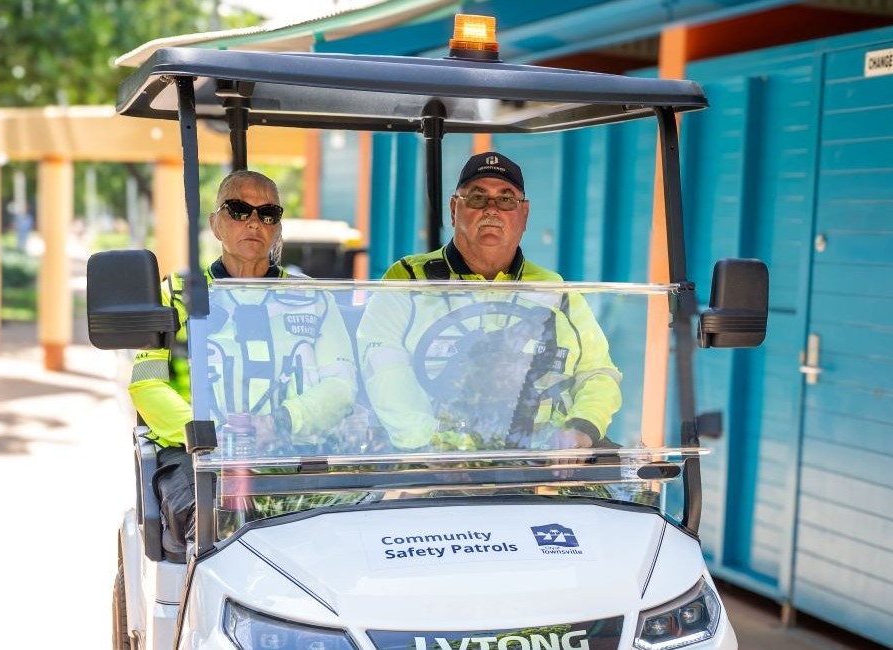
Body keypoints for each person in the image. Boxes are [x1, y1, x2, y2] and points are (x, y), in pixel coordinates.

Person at [128, 170, 355, 560]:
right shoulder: (178, 294)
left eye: (268, 213)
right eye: (238, 209)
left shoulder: (312, 298)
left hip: (295, 449)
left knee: (359, 523)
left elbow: (342, 387)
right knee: (213, 525)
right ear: (216, 223)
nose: (254, 221)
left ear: (278, 226)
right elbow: (147, 385)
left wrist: (282, 421)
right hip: (197, 456)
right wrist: (207, 436)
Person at [360, 151, 622, 451]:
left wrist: (580, 427)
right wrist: (435, 446)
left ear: (524, 214)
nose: (492, 210)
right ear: (454, 209)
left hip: (538, 462)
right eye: (477, 197)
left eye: (506, 199)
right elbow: (383, 370)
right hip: (430, 466)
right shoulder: (408, 278)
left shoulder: (553, 289)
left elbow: (597, 371)